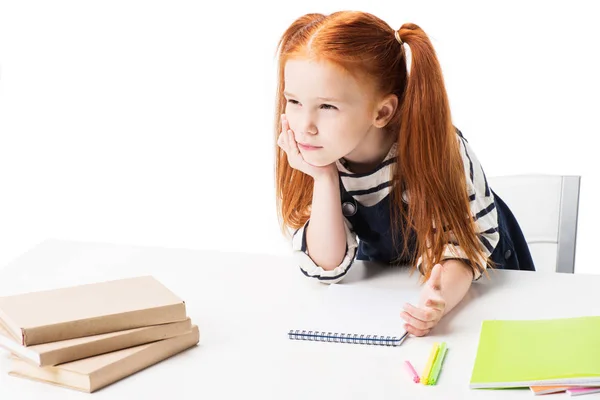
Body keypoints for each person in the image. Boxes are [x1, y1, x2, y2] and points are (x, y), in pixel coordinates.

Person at [274, 11, 535, 337]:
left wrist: (438, 299)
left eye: (327, 107)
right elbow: (327, 268)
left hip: (477, 284)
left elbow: (462, 248)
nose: (304, 125)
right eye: (294, 101)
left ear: (382, 111)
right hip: (396, 291)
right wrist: (324, 178)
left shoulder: (434, 148)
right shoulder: (322, 153)